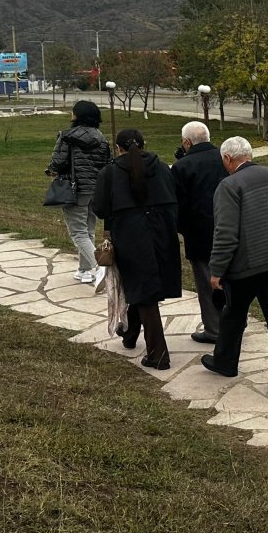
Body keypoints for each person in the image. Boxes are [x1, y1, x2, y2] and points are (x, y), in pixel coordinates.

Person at [202, 136, 268, 395]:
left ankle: (225, 362)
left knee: (233, 313)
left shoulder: (229, 185)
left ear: (227, 159)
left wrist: (216, 270)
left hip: (246, 267)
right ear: (249, 154)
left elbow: (225, 233)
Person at [90, 128, 181, 370]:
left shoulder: (110, 172)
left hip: (131, 235)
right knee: (142, 286)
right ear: (144, 144)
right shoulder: (162, 167)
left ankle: (158, 354)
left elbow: (99, 207)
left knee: (144, 291)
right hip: (162, 233)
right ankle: (129, 335)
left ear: (117, 147)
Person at [171, 120, 227, 344]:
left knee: (206, 284)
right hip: (229, 230)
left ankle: (214, 329)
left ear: (186, 142)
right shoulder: (225, 158)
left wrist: (181, 229)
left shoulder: (182, 167)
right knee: (229, 281)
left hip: (199, 233)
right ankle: (234, 324)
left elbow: (178, 204)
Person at [46, 100, 111, 284]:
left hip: (75, 189)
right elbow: (107, 164)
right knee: (88, 230)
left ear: (77, 115)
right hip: (96, 190)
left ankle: (100, 268)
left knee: (78, 233)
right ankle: (84, 270)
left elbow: (57, 162)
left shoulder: (67, 137)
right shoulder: (101, 138)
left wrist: (50, 170)